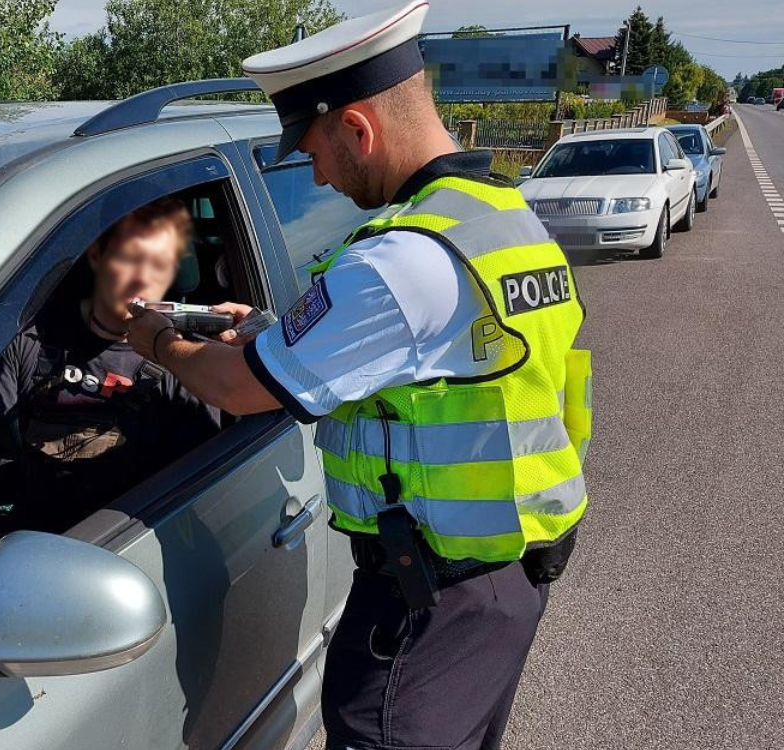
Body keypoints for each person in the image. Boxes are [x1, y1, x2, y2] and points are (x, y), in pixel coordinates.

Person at [126, 3, 593, 749]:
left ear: (356, 127)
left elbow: (240, 389)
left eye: (312, 150)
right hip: (505, 579)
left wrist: (154, 339)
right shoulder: (500, 217)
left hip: (428, 602)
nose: (315, 173)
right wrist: (276, 332)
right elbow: (436, 355)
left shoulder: (398, 259)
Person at [0, 197, 222, 539]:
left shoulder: (180, 358)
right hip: (33, 541)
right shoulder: (35, 338)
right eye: (130, 258)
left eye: (158, 266)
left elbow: (203, 489)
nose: (142, 279)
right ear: (96, 255)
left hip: (126, 540)